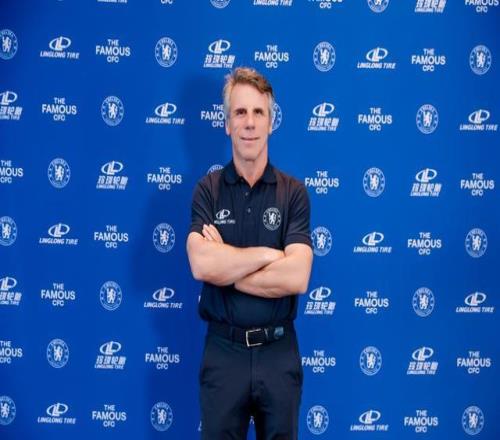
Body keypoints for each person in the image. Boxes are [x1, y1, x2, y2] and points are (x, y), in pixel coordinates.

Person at [187, 67, 313, 440]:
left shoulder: (293, 193)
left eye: (259, 112)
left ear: (271, 122)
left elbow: (297, 276)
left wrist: (227, 265)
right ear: (227, 124)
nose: (250, 123)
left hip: (278, 353)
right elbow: (201, 264)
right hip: (224, 353)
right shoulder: (207, 190)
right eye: (240, 112)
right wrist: (270, 255)